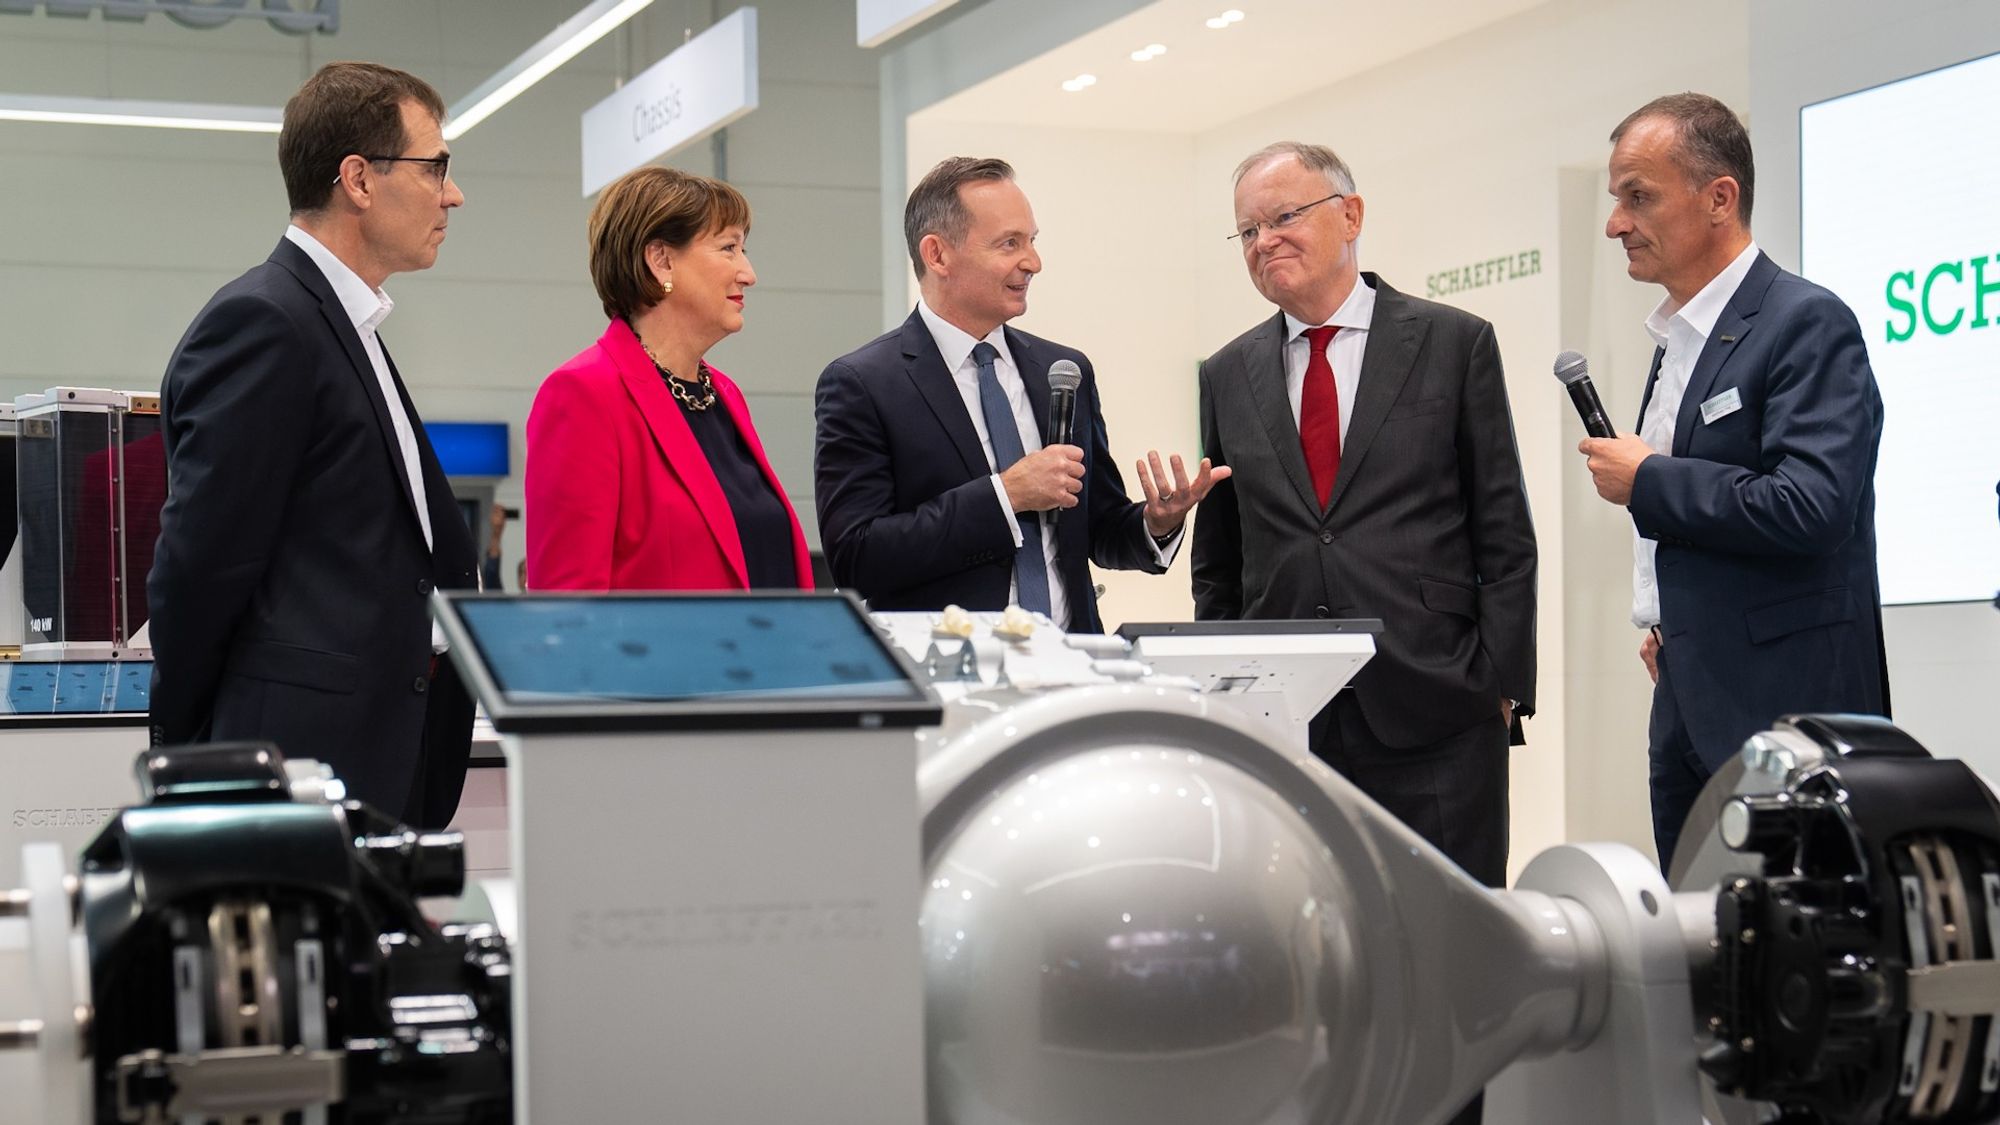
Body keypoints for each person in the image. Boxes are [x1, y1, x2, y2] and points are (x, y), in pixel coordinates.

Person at [1193, 141, 1538, 888]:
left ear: (1350, 215)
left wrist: (1500, 687)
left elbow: (1503, 532)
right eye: (1247, 231)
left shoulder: (1453, 343)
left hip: (1436, 708)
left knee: (1451, 948)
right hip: (1286, 723)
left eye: (1283, 216)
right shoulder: (1226, 374)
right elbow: (1220, 559)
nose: (1264, 242)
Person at [147, 62, 477, 829]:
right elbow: (199, 570)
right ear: (358, 180)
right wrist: (193, 753)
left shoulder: (342, 327)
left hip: (373, 753)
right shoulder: (266, 324)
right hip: (299, 761)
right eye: (436, 168)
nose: (452, 193)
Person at [1580, 93, 1888, 871]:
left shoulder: (1805, 322)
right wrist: (1670, 619)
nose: (1616, 222)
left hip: (1787, 714)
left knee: (1797, 960)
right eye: (1617, 199)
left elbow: (1811, 507)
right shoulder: (1679, 340)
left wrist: (1649, 479)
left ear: (1720, 198)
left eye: (1638, 196)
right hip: (1687, 699)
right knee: (1702, 961)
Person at [813, 156, 1220, 631]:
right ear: (937, 255)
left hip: (1073, 662)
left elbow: (1098, 530)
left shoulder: (1065, 370)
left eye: (1032, 241)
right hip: (949, 671)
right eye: (1009, 243)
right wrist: (1005, 495)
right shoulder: (863, 383)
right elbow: (856, 555)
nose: (1033, 263)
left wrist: (1156, 522)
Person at [527, 166, 811, 592]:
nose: (749, 273)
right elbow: (568, 605)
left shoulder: (725, 395)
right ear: (661, 260)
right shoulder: (583, 395)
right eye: (729, 248)